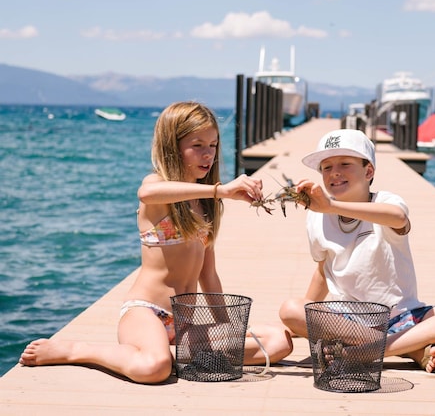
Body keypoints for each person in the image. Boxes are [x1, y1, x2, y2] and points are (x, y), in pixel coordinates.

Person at [20, 101, 293, 383]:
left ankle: (174, 354)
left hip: (185, 323)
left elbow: (208, 275)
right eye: (197, 145)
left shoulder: (207, 204)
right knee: (155, 368)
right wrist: (220, 190)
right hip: (146, 312)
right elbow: (146, 193)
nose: (207, 154)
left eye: (212, 145)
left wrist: (226, 327)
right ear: (172, 146)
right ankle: (78, 350)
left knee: (278, 341)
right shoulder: (159, 189)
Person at [279, 128, 435, 373]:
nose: (335, 172)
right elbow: (323, 269)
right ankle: (411, 348)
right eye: (326, 167)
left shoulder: (385, 201)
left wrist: (331, 206)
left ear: (368, 171)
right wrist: (304, 320)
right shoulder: (316, 217)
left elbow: (398, 217)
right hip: (349, 321)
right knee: (291, 309)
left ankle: (368, 351)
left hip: (404, 316)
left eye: (345, 163)